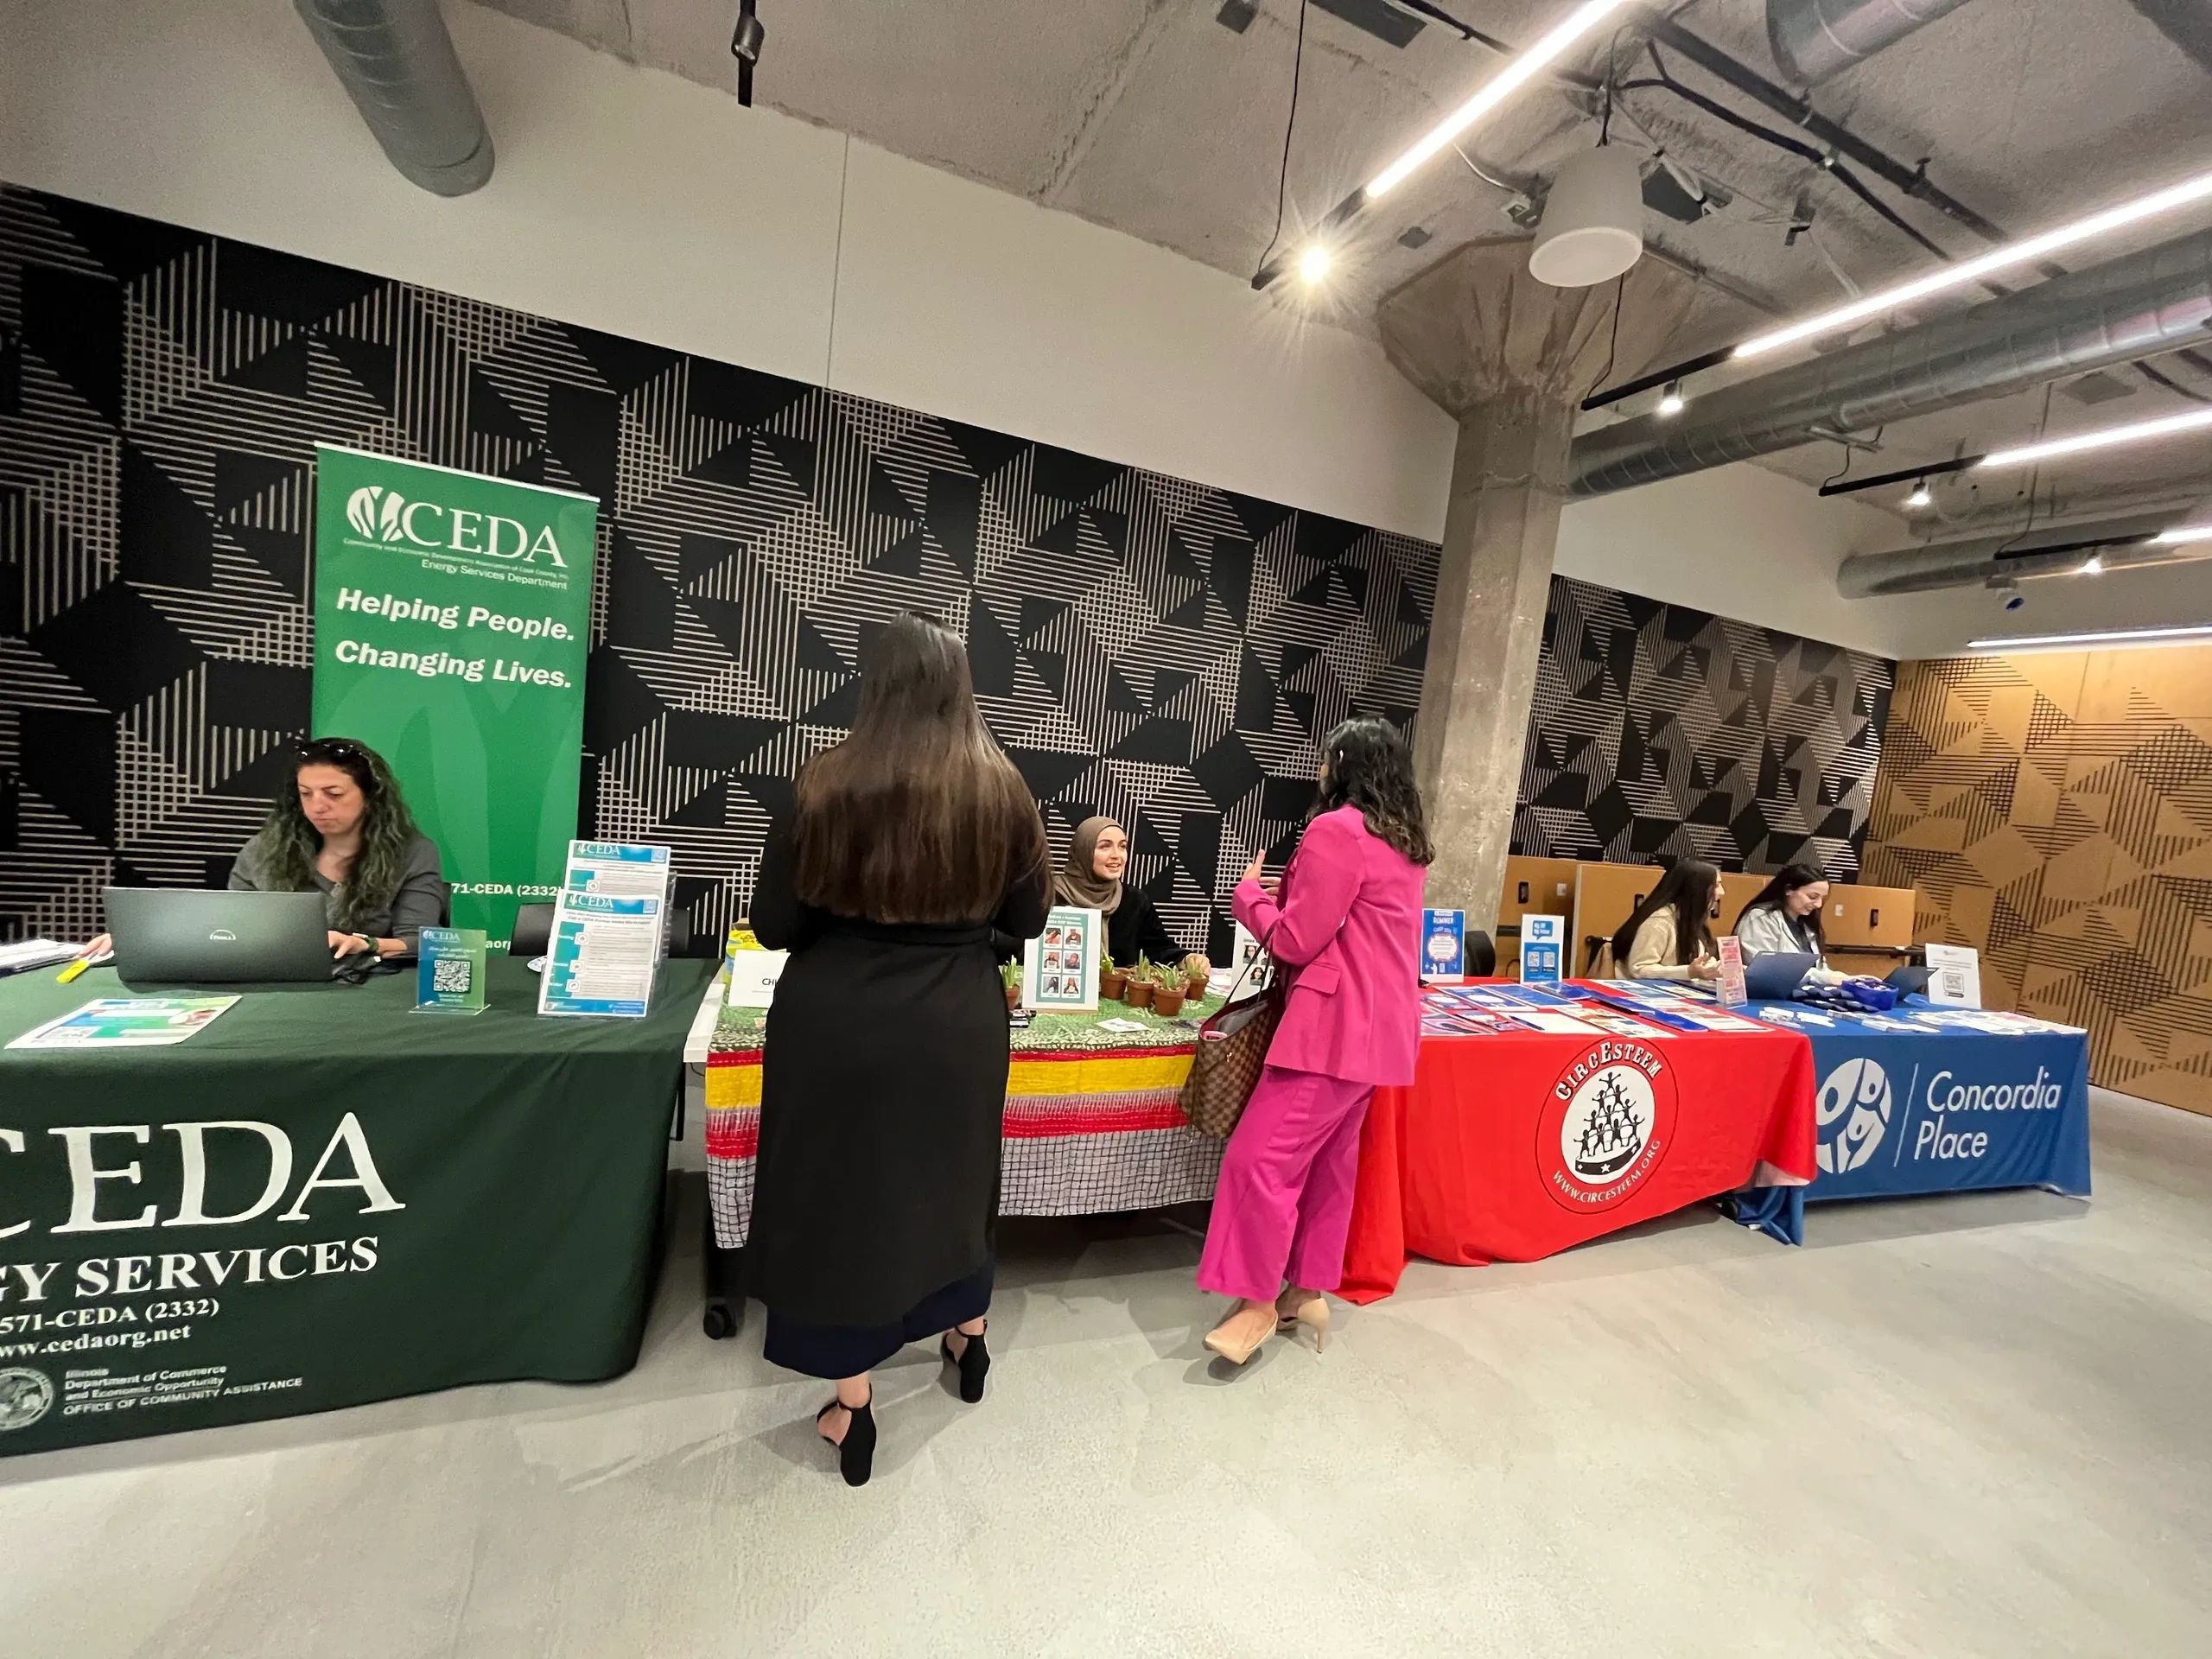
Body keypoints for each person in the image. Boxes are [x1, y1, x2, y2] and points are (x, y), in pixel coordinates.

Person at [747, 613, 1051, 1488]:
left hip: (837, 1022)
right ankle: (968, 1338)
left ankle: (855, 1402)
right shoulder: (1006, 791)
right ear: (962, 686)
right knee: (956, 1181)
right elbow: (1027, 923)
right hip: (959, 1021)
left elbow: (774, 925)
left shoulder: (822, 786)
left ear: (870, 687)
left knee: (845, 1204)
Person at [1198, 716, 1431, 1365]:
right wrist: (1296, 894)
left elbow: (1298, 941)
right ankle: (1305, 1287)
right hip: (1380, 1032)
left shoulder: (1335, 830)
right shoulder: (1402, 839)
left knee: (1260, 1161)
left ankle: (1255, 1303)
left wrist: (1250, 897)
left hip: (1330, 1029)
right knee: (1330, 1167)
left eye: (1327, 759)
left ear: (1342, 763)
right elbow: (1355, 923)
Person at [79, 735, 446, 963]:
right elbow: (227, 928)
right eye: (306, 794)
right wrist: (147, 940)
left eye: (334, 794)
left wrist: (362, 943)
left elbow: (420, 943)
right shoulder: (265, 850)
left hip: (367, 997)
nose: (317, 806)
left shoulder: (412, 853)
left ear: (371, 798)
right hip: (274, 990)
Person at [1052, 817, 1211, 980]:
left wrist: (1187, 959)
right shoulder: (1052, 895)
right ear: (1083, 851)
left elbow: (1157, 948)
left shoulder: (1135, 901)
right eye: (1105, 846)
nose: (1117, 855)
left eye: (1122, 847)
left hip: (1117, 995)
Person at [1735, 863, 1847, 987]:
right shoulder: (1760, 918)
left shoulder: (1806, 924)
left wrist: (1845, 979)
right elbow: (1765, 968)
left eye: (1822, 898)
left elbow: (1819, 967)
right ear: (1788, 890)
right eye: (1812, 896)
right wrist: (1826, 977)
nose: (1818, 904)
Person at [1611, 859, 1721, 982]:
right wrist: (1688, 972)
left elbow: (1696, 960)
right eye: (1716, 885)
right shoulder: (1658, 923)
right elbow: (1639, 969)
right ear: (1696, 889)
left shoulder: (1691, 919)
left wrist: (1714, 968)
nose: (1722, 892)